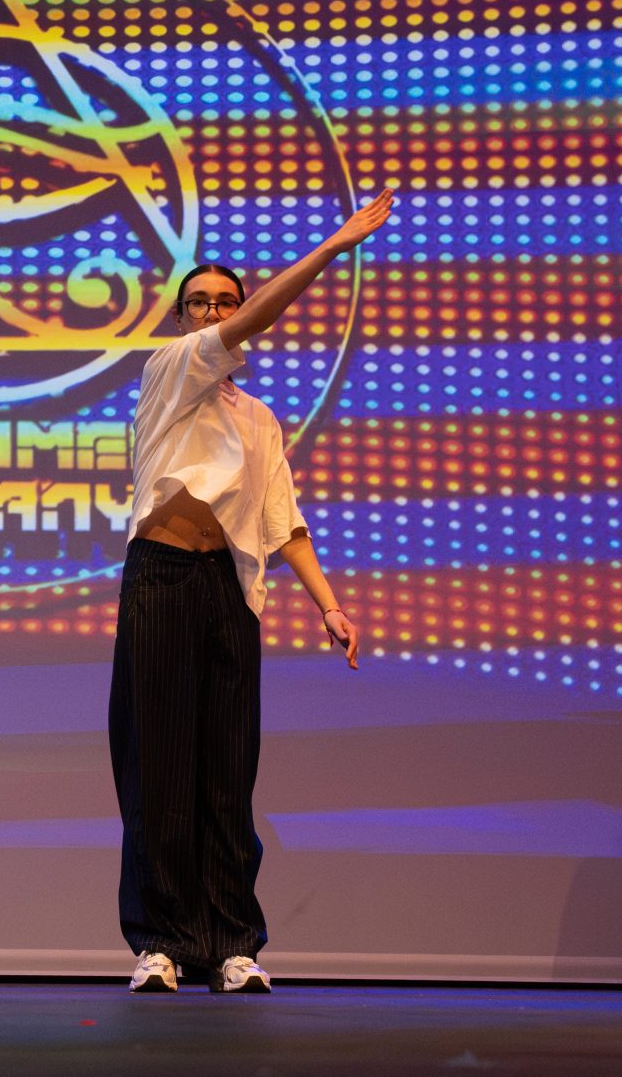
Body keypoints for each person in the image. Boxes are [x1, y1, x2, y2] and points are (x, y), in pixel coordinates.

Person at [114, 192, 394, 994]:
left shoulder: (259, 418)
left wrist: (329, 604)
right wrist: (332, 247)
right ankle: (161, 941)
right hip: (162, 578)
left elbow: (283, 526)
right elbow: (262, 316)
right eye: (200, 302)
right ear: (182, 318)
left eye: (224, 301)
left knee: (227, 771)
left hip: (228, 590)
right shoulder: (169, 370)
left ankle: (232, 941)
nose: (214, 312)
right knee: (159, 767)